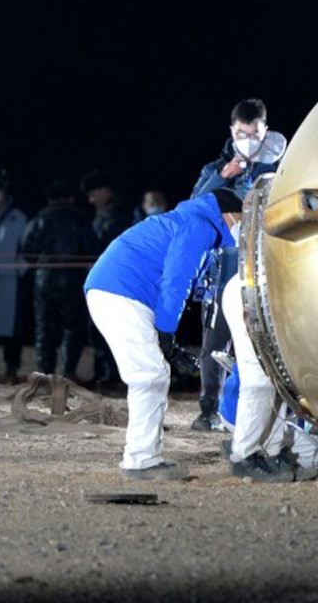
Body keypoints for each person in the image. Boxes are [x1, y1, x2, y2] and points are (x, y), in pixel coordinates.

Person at [84, 188, 243, 480]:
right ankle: (141, 462)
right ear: (229, 214)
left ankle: (143, 458)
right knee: (149, 374)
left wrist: (168, 339)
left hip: (118, 290)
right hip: (122, 292)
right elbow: (177, 280)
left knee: (152, 372)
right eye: (242, 217)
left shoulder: (193, 221)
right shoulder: (199, 226)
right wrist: (166, 334)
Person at [186, 98, 287, 431]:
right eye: (242, 134)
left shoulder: (282, 165)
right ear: (232, 131)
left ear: (265, 131)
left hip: (266, 266)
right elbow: (193, 206)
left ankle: (271, 407)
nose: (248, 140)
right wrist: (222, 176)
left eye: (254, 134)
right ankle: (208, 409)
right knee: (215, 341)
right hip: (225, 266)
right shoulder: (215, 168)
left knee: (266, 337)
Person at [218, 272, 318, 482]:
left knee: (271, 381)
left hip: (260, 290)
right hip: (257, 292)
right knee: (261, 381)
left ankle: (272, 455)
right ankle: (243, 456)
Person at [21, 178, 98, 381]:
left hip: (44, 278)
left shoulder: (39, 218)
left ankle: (45, 372)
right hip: (73, 278)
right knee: (72, 326)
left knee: (44, 326)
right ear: (71, 198)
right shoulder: (80, 219)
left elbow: (26, 248)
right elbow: (91, 248)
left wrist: (39, 263)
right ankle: (68, 371)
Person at [80, 169, 133, 390]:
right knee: (96, 329)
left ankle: (115, 374)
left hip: (119, 281)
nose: (91, 199)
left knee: (116, 328)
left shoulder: (123, 218)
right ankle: (102, 372)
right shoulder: (93, 219)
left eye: (95, 192)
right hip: (97, 280)